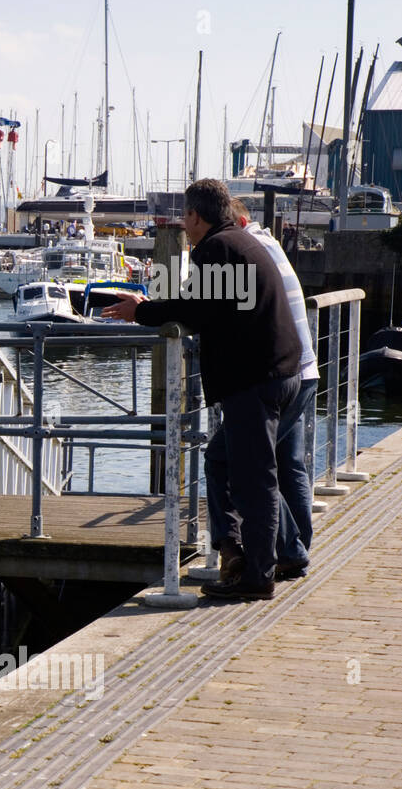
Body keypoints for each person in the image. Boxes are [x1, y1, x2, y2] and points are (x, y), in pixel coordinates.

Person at [103, 179, 301, 601]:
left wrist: (142, 311)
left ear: (195, 216)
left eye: (185, 218)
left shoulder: (215, 249)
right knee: (220, 460)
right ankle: (232, 551)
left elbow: (193, 309)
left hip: (256, 380)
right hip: (282, 372)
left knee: (255, 480)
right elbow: (208, 307)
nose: (184, 227)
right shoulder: (244, 243)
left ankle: (257, 578)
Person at [226, 198, 320, 579]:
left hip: (281, 374)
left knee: (251, 465)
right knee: (289, 464)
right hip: (305, 369)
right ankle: (297, 547)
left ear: (241, 223)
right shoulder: (271, 245)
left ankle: (292, 549)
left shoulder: (246, 253)